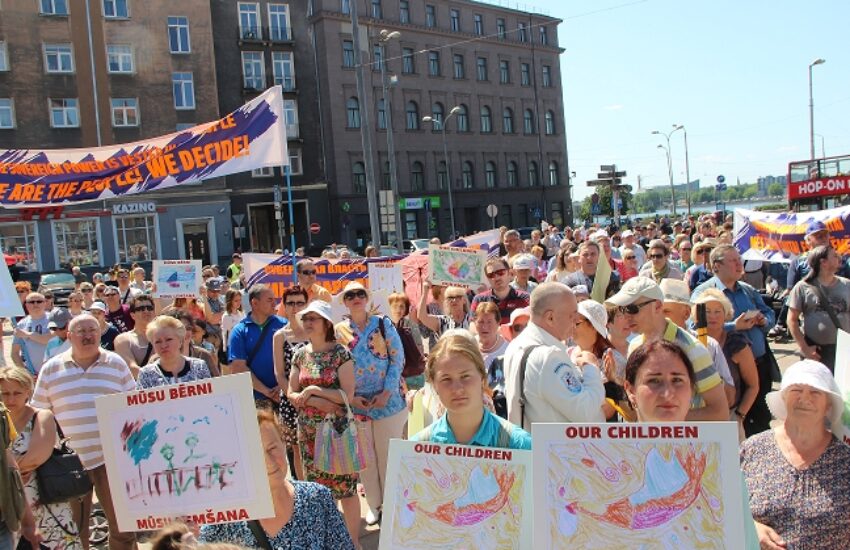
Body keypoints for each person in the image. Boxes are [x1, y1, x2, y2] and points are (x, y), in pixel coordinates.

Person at [31, 314, 138, 549]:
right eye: (81, 331)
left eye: (92, 330)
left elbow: (134, 405)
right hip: (69, 463)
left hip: (112, 459)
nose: (88, 335)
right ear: (69, 336)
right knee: (75, 530)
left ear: (100, 334)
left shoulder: (117, 364)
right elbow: (39, 414)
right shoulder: (51, 369)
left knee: (123, 527)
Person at [199, 409, 355, 550]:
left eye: (272, 448)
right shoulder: (223, 522)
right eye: (255, 455)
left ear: (283, 443)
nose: (268, 461)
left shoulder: (318, 498)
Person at [740, 360, 850, 548]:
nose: (804, 398)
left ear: (828, 406)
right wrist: (750, 527)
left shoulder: (845, 460)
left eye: (815, 392)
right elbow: (721, 506)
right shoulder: (752, 449)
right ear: (784, 397)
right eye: (796, 390)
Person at [287, 301, 361, 546]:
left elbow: (347, 396)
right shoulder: (300, 353)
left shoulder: (341, 354)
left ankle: (351, 542)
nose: (307, 323)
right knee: (317, 492)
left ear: (326, 323)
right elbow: (291, 392)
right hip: (308, 433)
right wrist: (308, 397)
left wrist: (315, 391)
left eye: (313, 318)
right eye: (305, 318)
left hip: (337, 431)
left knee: (346, 489)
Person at [606, 277, 729, 421]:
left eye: (632, 309)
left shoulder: (693, 350)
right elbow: (636, 414)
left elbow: (720, 412)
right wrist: (616, 384)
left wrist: (664, 420)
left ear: (658, 306)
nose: (626, 316)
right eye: (622, 309)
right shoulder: (635, 345)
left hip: (685, 443)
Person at [335, 281, 406, 527]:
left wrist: (387, 392)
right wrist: (350, 397)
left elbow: (398, 359)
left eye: (360, 293)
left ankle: (393, 504)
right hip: (358, 404)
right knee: (366, 460)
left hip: (389, 402)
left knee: (389, 455)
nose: (355, 298)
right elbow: (335, 367)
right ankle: (375, 505)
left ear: (367, 298)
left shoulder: (383, 324)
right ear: (344, 301)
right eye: (350, 295)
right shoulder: (338, 331)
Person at [692, 244, 775, 435]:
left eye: (739, 260)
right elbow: (693, 328)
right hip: (725, 369)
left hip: (758, 366)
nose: (740, 264)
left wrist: (764, 321)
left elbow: (769, 313)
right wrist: (733, 327)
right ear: (716, 266)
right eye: (734, 261)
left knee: (760, 424)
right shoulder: (702, 293)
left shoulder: (747, 289)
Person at [0, 366, 82, 549]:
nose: (10, 399)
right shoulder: (1, 419)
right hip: (10, 504)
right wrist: (13, 472)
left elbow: (38, 455)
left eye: (16, 393)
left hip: (45, 498)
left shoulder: (41, 416)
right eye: (5, 393)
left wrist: (7, 472)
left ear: (28, 392)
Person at [504, 283, 605, 429]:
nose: (576, 320)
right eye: (572, 315)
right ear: (550, 318)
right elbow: (586, 411)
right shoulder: (548, 357)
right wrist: (591, 368)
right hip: (557, 450)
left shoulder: (516, 345)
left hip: (537, 446)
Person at [411, 331, 530, 449]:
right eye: (446, 379)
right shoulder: (416, 450)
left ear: (482, 378)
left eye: (465, 376)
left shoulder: (520, 446)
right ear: (434, 384)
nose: (457, 389)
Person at [692, 289, 759, 441]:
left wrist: (739, 415)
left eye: (718, 311)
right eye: (707, 311)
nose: (712, 316)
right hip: (696, 417)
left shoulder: (737, 344)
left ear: (726, 315)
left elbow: (753, 385)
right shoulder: (689, 341)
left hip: (728, 415)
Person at [788, 245, 850, 372]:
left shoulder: (846, 285)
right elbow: (791, 320)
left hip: (843, 351)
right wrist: (805, 349)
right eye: (834, 255)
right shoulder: (803, 287)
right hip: (816, 352)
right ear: (823, 262)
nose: (839, 257)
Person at [272, 286, 310, 480]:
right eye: (291, 303)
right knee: (297, 449)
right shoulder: (280, 336)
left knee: (318, 447)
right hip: (290, 400)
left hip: (316, 398)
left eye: (300, 302)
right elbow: (279, 373)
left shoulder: (316, 332)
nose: (295, 307)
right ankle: (305, 490)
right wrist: (291, 395)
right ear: (284, 306)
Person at [229, 284, 287, 407]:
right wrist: (267, 391)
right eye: (269, 300)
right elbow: (238, 367)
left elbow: (296, 360)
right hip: (255, 400)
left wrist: (282, 386)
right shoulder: (239, 331)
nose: (274, 303)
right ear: (255, 303)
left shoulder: (284, 325)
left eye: (274, 299)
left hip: (285, 396)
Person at [136, 316, 212, 388]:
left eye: (169, 339)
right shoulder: (146, 374)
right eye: (158, 342)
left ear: (180, 341)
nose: (163, 345)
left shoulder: (199, 367)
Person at [473, 303, 509, 417]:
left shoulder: (508, 349)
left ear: (498, 323)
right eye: (481, 322)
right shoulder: (469, 345)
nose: (485, 327)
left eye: (489, 322)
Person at [470, 258, 530, 325]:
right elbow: (472, 325)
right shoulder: (480, 299)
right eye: (491, 275)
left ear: (509, 273)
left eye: (500, 272)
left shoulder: (525, 298)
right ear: (487, 279)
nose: (497, 278)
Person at [387, 292, 425, 390]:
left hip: (410, 374)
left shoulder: (411, 325)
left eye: (401, 306)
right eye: (395, 306)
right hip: (390, 374)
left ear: (405, 309)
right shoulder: (383, 325)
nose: (398, 310)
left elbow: (419, 348)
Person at [114, 294, 156, 378]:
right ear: (132, 315)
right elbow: (132, 370)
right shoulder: (123, 339)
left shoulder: (164, 336)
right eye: (140, 309)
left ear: (154, 312)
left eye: (149, 308)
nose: (146, 311)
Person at [220, 289, 245, 372]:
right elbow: (225, 334)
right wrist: (225, 349)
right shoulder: (227, 316)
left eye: (240, 300)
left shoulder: (241, 313)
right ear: (230, 301)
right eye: (236, 301)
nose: (238, 303)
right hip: (232, 346)